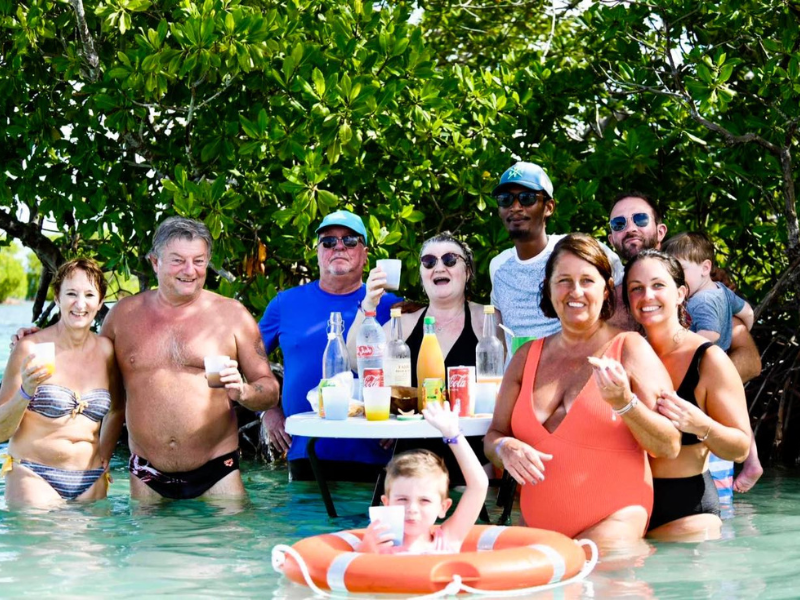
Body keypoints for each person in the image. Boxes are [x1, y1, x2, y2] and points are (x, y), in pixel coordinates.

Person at [484, 234, 680, 549]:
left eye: (587, 280)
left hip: (613, 527)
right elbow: (493, 435)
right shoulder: (524, 358)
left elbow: (669, 444)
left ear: (606, 289)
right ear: (548, 288)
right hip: (537, 532)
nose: (575, 292)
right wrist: (505, 447)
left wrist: (625, 404)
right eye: (564, 280)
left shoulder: (630, 348)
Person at [106, 217, 279, 501]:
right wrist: (37, 337)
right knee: (145, 547)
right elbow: (82, 358)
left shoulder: (232, 315)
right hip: (147, 473)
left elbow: (270, 391)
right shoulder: (122, 316)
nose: (190, 271)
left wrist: (245, 392)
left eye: (199, 261)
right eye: (178, 260)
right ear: (154, 262)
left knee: (234, 544)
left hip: (218, 469)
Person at [606, 191, 763, 493]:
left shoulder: (701, 292)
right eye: (619, 222)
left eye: (640, 218)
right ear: (612, 236)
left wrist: (701, 385)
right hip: (630, 487)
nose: (631, 228)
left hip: (695, 468)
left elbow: (749, 359)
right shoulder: (607, 302)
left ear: (660, 230)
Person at [259, 210, 401, 482]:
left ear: (365, 253)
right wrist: (267, 408)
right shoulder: (284, 304)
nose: (338, 246)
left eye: (349, 240)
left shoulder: (391, 305)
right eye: (328, 241)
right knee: (307, 525)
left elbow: (413, 370)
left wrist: (401, 413)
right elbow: (247, 359)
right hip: (305, 452)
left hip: (377, 454)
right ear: (317, 252)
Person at [622, 250, 752, 540]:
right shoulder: (624, 354)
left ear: (680, 293)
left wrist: (700, 425)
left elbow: (740, 447)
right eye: (636, 288)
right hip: (628, 507)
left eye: (658, 285)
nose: (647, 296)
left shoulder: (709, 359)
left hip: (687, 507)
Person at [0, 258, 124, 508]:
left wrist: (105, 454)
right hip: (34, 476)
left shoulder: (106, 351)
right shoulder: (29, 348)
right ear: (57, 298)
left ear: (100, 302)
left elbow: (117, 408)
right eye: (71, 293)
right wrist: (26, 391)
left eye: (89, 294)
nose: (80, 304)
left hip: (91, 480)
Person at [490, 162, 623, 351]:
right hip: (519, 376)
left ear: (549, 207)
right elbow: (500, 334)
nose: (516, 207)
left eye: (526, 198)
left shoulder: (578, 251)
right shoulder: (498, 266)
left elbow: (625, 290)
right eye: (506, 199)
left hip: (572, 371)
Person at [348, 232, 487, 387]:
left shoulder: (487, 319)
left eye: (450, 260)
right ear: (422, 276)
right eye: (429, 262)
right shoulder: (404, 324)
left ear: (467, 272)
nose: (439, 268)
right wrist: (369, 304)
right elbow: (356, 362)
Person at [358, 402, 489, 554]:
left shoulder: (448, 540)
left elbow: (478, 486)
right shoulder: (377, 549)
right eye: (402, 499)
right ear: (387, 504)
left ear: (443, 507)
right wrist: (365, 548)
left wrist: (453, 435)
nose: (412, 509)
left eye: (424, 500)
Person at [662, 232, 754, 348]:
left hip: (702, 362)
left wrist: (679, 347)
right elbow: (748, 312)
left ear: (705, 268)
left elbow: (711, 334)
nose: (675, 277)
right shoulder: (723, 290)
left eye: (680, 269)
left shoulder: (701, 301)